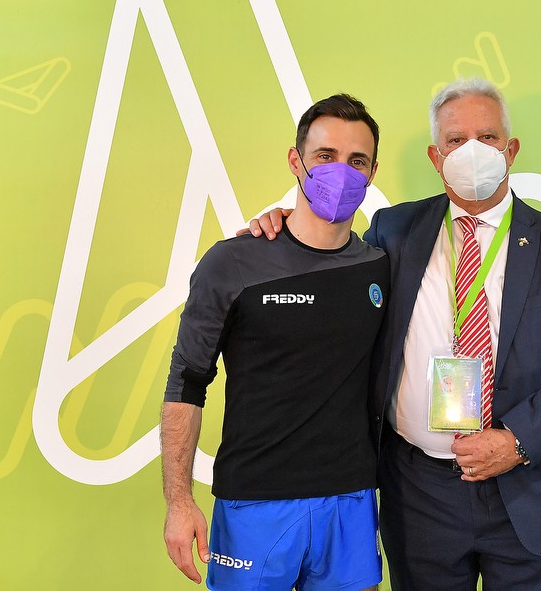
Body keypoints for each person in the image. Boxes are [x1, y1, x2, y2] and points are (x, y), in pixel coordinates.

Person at [249, 78, 541, 591]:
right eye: (455, 140)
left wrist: (515, 441)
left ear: (511, 150)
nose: (471, 151)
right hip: (419, 493)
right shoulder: (393, 231)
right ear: (435, 156)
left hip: (528, 487)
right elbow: (330, 262)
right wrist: (285, 225)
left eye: (487, 138)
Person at [162, 94, 389, 591]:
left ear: (373, 173)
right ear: (295, 161)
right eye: (325, 156)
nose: (341, 172)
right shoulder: (232, 263)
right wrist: (179, 501)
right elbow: (186, 384)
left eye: (357, 161)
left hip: (351, 501)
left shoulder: (380, 266)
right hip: (253, 504)